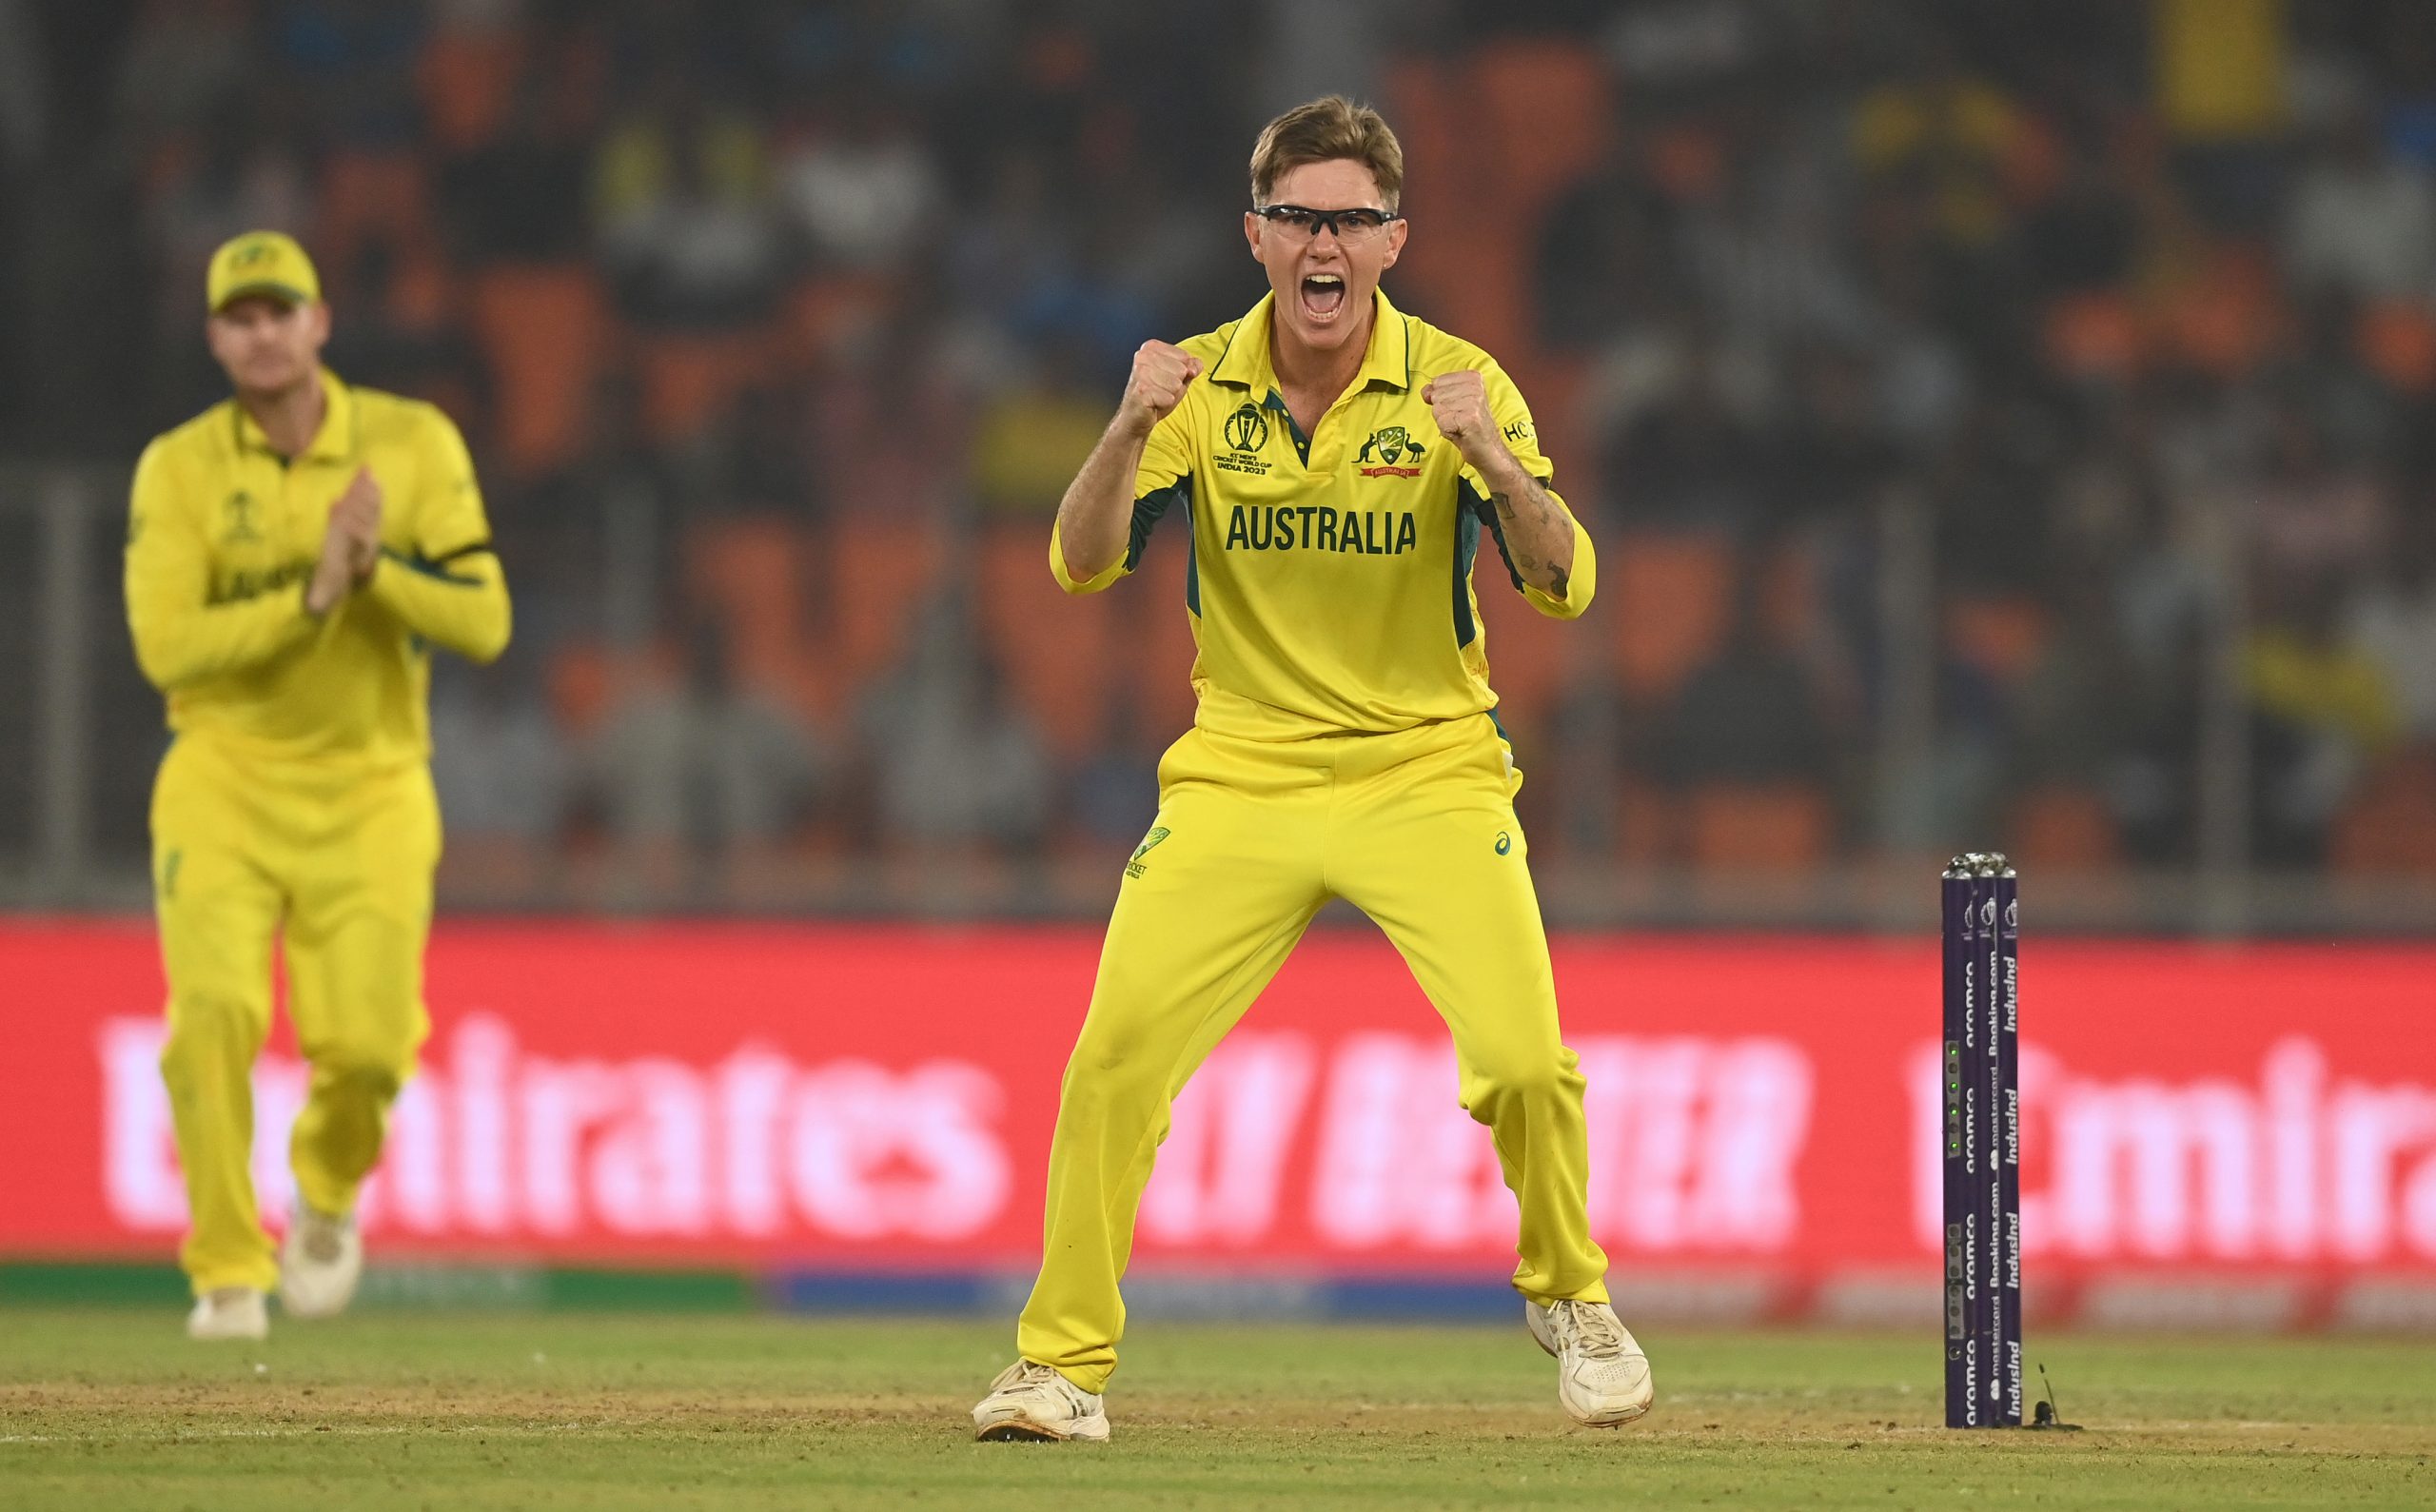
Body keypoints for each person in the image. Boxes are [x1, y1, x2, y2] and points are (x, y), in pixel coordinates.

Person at [971, 97, 1651, 1443]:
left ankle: (1574, 1297)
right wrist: (1123, 427)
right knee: (1113, 1061)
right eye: (1296, 218)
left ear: (1394, 238)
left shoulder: (1459, 380)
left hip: (1428, 771)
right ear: (1256, 235)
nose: (1322, 243)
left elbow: (1565, 581)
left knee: (1524, 1065)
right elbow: (1079, 563)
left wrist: (1494, 459)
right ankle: (1059, 1367)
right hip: (1244, 772)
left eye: (1349, 220)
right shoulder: (1196, 385)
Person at [125, 230, 511, 1341]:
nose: (262, 334)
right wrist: (309, 597)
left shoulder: (411, 441)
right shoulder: (179, 468)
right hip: (225, 774)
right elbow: (166, 648)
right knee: (212, 1015)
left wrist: (374, 573)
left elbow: (484, 620)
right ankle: (226, 1273)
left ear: (320, 322)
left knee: (372, 1050)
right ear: (213, 338)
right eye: (239, 318)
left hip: (372, 782)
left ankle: (327, 1192)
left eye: (279, 312)